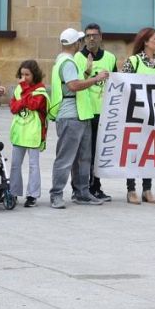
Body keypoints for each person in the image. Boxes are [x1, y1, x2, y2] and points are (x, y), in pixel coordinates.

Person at [49, 28, 107, 209]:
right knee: (66, 158)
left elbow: (72, 83)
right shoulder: (68, 62)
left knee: (83, 157)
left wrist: (88, 73)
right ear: (76, 43)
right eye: (80, 41)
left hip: (80, 113)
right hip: (71, 115)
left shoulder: (64, 60)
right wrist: (97, 78)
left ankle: (82, 193)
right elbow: (73, 86)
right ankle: (57, 194)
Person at [123, 27, 155, 204]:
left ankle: (147, 188)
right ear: (146, 41)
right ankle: (131, 189)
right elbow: (123, 85)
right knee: (133, 150)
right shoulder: (133, 61)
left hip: (153, 114)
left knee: (150, 150)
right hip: (134, 113)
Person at [74, 23, 115, 202]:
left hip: (104, 112)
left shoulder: (110, 58)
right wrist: (88, 71)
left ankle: (96, 187)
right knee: (84, 154)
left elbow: (116, 82)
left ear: (100, 37)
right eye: (88, 35)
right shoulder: (78, 57)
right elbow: (74, 83)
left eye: (95, 35)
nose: (91, 38)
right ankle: (80, 188)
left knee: (99, 152)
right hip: (86, 111)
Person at [8, 60, 47, 207]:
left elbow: (34, 104)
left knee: (33, 165)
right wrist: (24, 99)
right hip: (19, 131)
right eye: (22, 74)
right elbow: (13, 107)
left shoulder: (40, 90)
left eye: (27, 75)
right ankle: (13, 192)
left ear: (34, 74)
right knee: (15, 165)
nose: (24, 78)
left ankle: (32, 195)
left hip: (33, 133)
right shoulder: (19, 88)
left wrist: (24, 94)